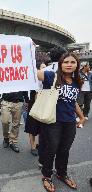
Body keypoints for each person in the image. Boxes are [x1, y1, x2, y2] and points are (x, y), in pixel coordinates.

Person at [37, 52, 86, 192]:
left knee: (64, 150)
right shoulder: (52, 76)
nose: (69, 65)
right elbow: (31, 73)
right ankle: (46, 176)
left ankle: (61, 173)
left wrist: (81, 117)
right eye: (66, 62)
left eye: (72, 62)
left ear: (77, 65)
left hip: (69, 122)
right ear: (60, 64)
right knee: (51, 149)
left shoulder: (77, 81)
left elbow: (73, 102)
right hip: (53, 121)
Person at [24, 62, 47, 156]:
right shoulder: (33, 80)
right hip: (33, 104)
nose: (44, 70)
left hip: (44, 105)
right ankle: (33, 146)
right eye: (42, 68)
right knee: (32, 126)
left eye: (46, 67)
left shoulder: (49, 79)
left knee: (43, 127)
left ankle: (39, 144)